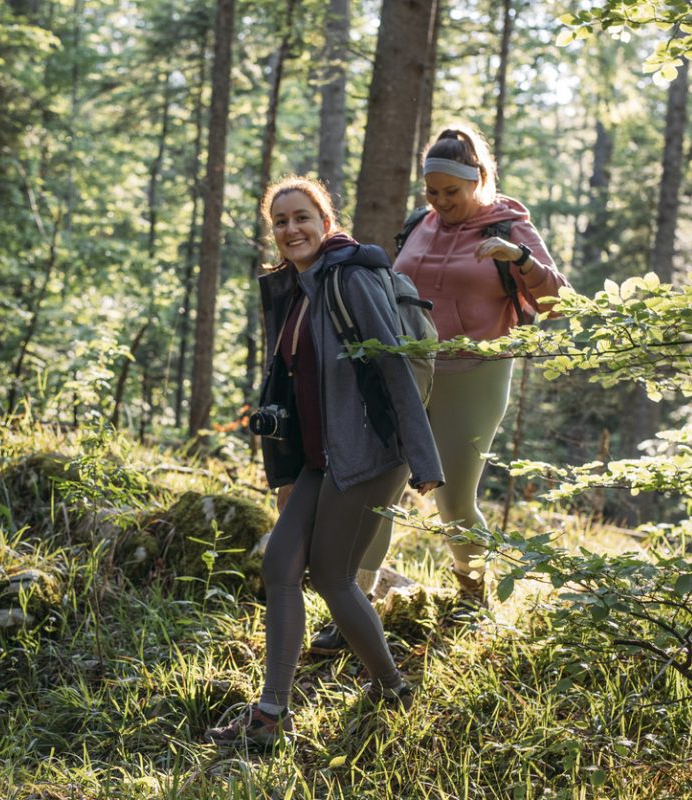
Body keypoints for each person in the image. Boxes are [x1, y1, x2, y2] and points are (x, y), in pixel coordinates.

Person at [309, 124, 570, 654]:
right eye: (432, 192)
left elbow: (561, 301)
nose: (441, 202)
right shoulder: (418, 225)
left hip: (475, 373)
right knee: (377, 491)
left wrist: (518, 261)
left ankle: (473, 596)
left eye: (452, 192)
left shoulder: (509, 226)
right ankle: (353, 606)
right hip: (407, 373)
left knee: (452, 498)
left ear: (479, 181)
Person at [203, 176, 444, 750]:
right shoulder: (295, 288)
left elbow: (389, 367)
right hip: (322, 456)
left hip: (368, 453)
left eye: (302, 217)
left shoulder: (351, 277)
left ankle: (393, 690)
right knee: (281, 566)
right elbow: (287, 388)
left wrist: (422, 457)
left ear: (326, 219)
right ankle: (271, 715)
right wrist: (285, 473)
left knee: (333, 577)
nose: (291, 230)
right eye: (280, 221)